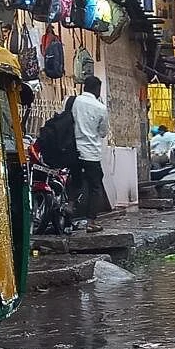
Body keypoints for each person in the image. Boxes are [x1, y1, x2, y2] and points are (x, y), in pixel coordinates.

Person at [70, 75, 109, 232]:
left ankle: (70, 204)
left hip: (74, 150)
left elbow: (69, 120)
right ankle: (91, 223)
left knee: (75, 180)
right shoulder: (100, 108)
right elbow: (103, 132)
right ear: (97, 89)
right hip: (91, 153)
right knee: (95, 187)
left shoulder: (74, 101)